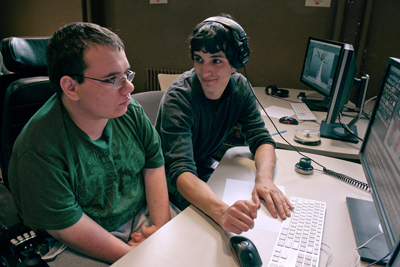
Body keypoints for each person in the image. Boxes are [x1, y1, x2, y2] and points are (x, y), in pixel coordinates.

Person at [8, 22, 177, 266]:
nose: (129, 88)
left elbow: (153, 161)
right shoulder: (39, 148)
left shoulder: (129, 111)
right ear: (71, 87)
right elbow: (68, 226)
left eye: (126, 74)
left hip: (141, 214)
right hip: (77, 238)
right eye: (112, 79)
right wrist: (137, 258)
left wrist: (159, 230)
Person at [155, 14, 294, 235]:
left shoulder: (240, 87)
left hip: (204, 172)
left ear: (236, 63)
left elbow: (261, 139)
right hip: (169, 186)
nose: (205, 71)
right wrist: (222, 212)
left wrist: (264, 180)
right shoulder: (178, 99)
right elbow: (180, 172)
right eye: (198, 59)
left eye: (216, 61)